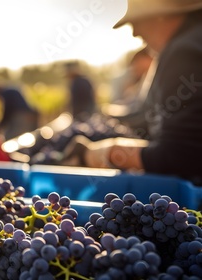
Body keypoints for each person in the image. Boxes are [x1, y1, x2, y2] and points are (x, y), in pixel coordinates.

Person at [64, 0, 202, 185]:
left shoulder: (184, 52)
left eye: (136, 21)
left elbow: (182, 155)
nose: (135, 32)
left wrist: (104, 152)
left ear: (160, 16)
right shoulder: (192, 42)